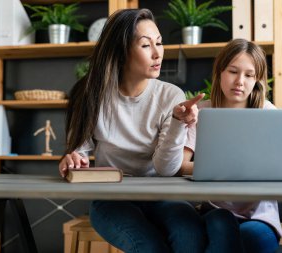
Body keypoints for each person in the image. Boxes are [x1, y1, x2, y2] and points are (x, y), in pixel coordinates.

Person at [59, 8, 206, 253]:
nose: (158, 53)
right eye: (146, 45)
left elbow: (166, 169)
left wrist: (178, 123)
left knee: (190, 237)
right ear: (121, 50)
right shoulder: (91, 94)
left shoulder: (171, 96)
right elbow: (78, 153)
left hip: (163, 195)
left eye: (159, 43)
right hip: (112, 199)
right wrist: (73, 160)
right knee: (148, 246)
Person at [180, 38, 282, 253]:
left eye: (249, 75)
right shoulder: (202, 113)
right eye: (233, 71)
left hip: (260, 219)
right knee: (220, 222)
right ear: (220, 72)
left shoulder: (267, 113)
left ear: (257, 80)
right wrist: (223, 168)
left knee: (248, 238)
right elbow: (181, 165)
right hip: (214, 212)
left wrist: (233, 168)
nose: (240, 81)